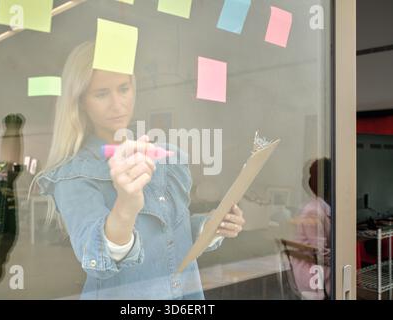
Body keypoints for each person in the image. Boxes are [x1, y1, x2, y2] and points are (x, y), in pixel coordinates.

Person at [35, 42, 245, 299]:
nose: (118, 104)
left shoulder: (162, 156)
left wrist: (210, 226)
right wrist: (126, 204)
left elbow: (168, 236)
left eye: (124, 89)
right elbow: (96, 258)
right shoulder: (73, 174)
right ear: (81, 103)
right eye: (101, 94)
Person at [290, 158, 331, 299]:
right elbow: (320, 254)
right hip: (312, 276)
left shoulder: (321, 207)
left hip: (317, 270)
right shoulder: (313, 211)